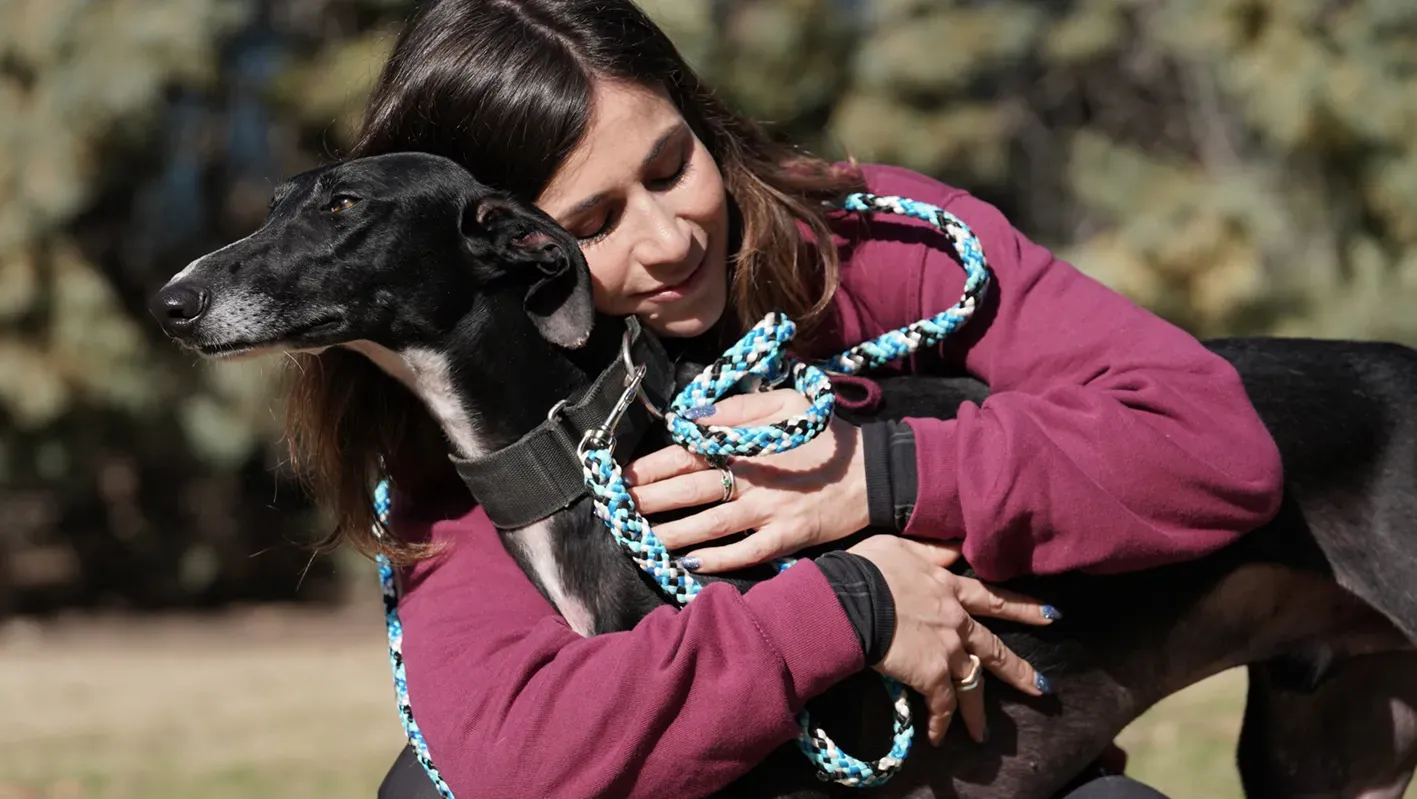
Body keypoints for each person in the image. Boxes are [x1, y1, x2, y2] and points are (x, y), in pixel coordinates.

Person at [282, 1, 1285, 797]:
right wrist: (851, 602)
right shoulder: (474, 440)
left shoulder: (870, 245)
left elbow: (1211, 439)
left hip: (974, 760)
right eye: (593, 224)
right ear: (499, 252)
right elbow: (511, 760)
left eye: (673, 166)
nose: (671, 239)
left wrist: (882, 474)